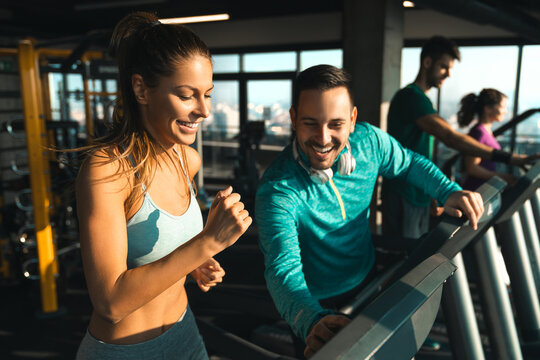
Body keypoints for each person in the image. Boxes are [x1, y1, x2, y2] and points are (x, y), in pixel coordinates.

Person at [255, 65, 484, 359]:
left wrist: (447, 190)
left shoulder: (369, 143)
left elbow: (408, 162)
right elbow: (282, 268)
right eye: (310, 123)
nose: (323, 138)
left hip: (365, 281)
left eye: (335, 124)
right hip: (313, 302)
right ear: (293, 119)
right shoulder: (278, 189)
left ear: (352, 120)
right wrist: (310, 320)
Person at [75, 12, 252, 360]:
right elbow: (110, 303)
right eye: (188, 95)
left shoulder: (188, 160)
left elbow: (165, 261)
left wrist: (195, 265)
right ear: (141, 89)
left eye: (208, 94)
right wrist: (207, 243)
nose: (204, 110)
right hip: (125, 352)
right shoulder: (108, 170)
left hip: (185, 335)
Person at [383, 35, 536, 240]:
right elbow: (451, 137)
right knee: (402, 258)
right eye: (444, 67)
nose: (448, 74)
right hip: (403, 190)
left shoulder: (422, 100)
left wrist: (431, 191)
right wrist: (510, 158)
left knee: (413, 252)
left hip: (418, 189)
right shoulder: (410, 97)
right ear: (427, 62)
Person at [458, 89, 518, 190]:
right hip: (476, 189)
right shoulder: (479, 133)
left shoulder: (485, 131)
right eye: (503, 107)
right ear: (488, 109)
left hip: (483, 189)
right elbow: (472, 168)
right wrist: (501, 177)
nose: (505, 111)